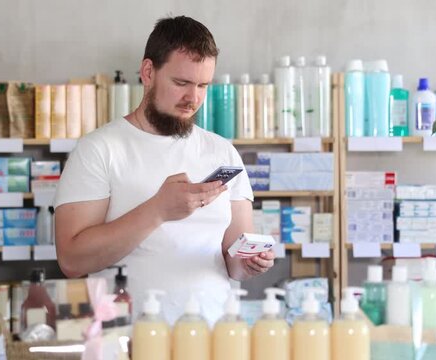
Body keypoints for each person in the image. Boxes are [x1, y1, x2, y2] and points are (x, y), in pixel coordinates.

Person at [54, 15, 275, 324]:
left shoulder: (222, 152)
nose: (193, 98)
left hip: (211, 337)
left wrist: (250, 262)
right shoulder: (99, 150)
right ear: (148, 72)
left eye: (202, 85)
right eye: (181, 83)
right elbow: (72, 260)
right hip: (128, 340)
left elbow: (232, 261)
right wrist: (157, 210)